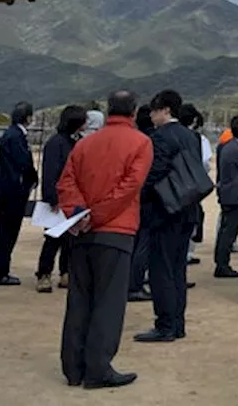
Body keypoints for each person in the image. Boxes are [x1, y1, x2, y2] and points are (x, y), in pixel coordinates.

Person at [58, 90, 154, 389]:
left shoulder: (85, 143)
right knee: (108, 302)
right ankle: (98, 368)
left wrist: (79, 213)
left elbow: (66, 181)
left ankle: (73, 367)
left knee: (79, 299)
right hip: (116, 230)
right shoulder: (141, 142)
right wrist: (97, 215)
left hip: (81, 231)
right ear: (135, 111)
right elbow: (130, 186)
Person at [135, 89, 202, 343]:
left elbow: (155, 173)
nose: (151, 115)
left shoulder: (159, 137)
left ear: (165, 109)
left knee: (161, 269)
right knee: (178, 269)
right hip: (187, 209)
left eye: (154, 110)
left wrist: (139, 195)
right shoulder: (191, 136)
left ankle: (165, 325)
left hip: (164, 210)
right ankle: (178, 323)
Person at [37, 105, 88, 293]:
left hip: (74, 198)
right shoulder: (55, 143)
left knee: (71, 238)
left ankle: (65, 272)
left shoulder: (78, 142)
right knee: (52, 238)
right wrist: (52, 198)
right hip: (58, 199)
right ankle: (43, 274)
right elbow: (50, 173)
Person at [0, 101, 38, 287]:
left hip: (11, 189)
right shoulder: (16, 136)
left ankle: (0, 270)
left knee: (6, 232)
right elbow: (23, 162)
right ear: (27, 117)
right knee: (7, 232)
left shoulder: (12, 134)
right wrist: (32, 176)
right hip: (13, 190)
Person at [214, 115, 238, 278]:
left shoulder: (227, 147)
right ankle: (222, 264)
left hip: (227, 193)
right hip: (234, 195)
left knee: (225, 230)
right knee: (229, 232)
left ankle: (221, 262)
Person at [127, 104, 156, 302]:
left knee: (134, 241)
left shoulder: (133, 138)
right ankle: (135, 284)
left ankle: (130, 280)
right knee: (144, 243)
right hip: (148, 198)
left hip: (134, 198)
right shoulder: (152, 140)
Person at [179, 104, 211, 266]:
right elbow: (205, 162)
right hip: (191, 188)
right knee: (189, 224)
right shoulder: (197, 139)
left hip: (173, 189)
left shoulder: (167, 135)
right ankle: (186, 256)